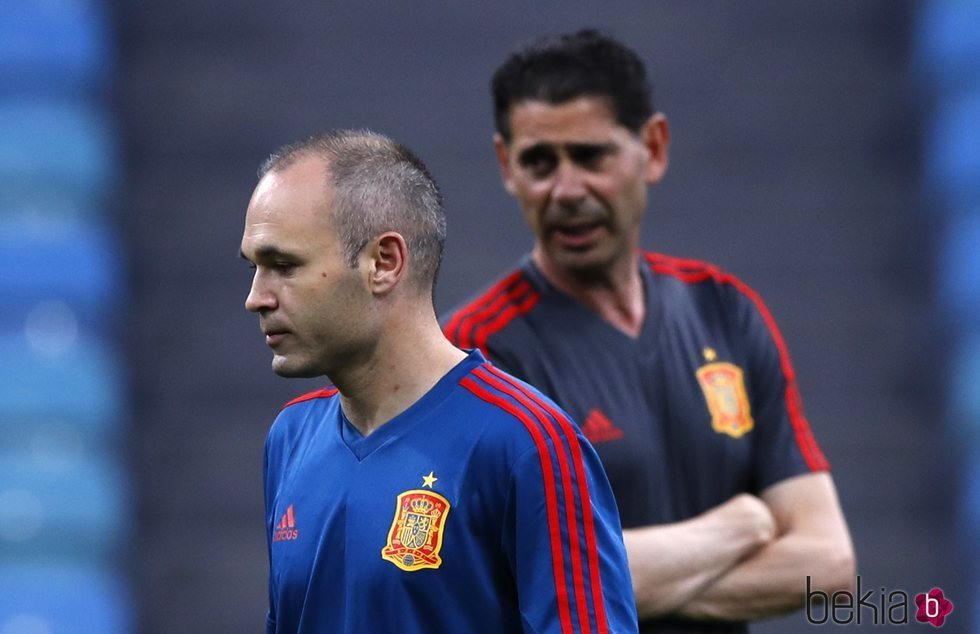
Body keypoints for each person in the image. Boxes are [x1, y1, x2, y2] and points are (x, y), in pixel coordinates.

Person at [442, 30, 856, 633]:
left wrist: (608, 584)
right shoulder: (476, 354)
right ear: (506, 166)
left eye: (590, 156)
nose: (566, 189)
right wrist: (736, 528)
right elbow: (501, 584)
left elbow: (830, 564)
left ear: (653, 148)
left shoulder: (726, 311)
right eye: (539, 162)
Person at [240, 129, 638, 634]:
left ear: (384, 262)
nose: (256, 297)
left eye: (283, 266)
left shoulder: (526, 443)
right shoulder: (290, 438)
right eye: (255, 268)